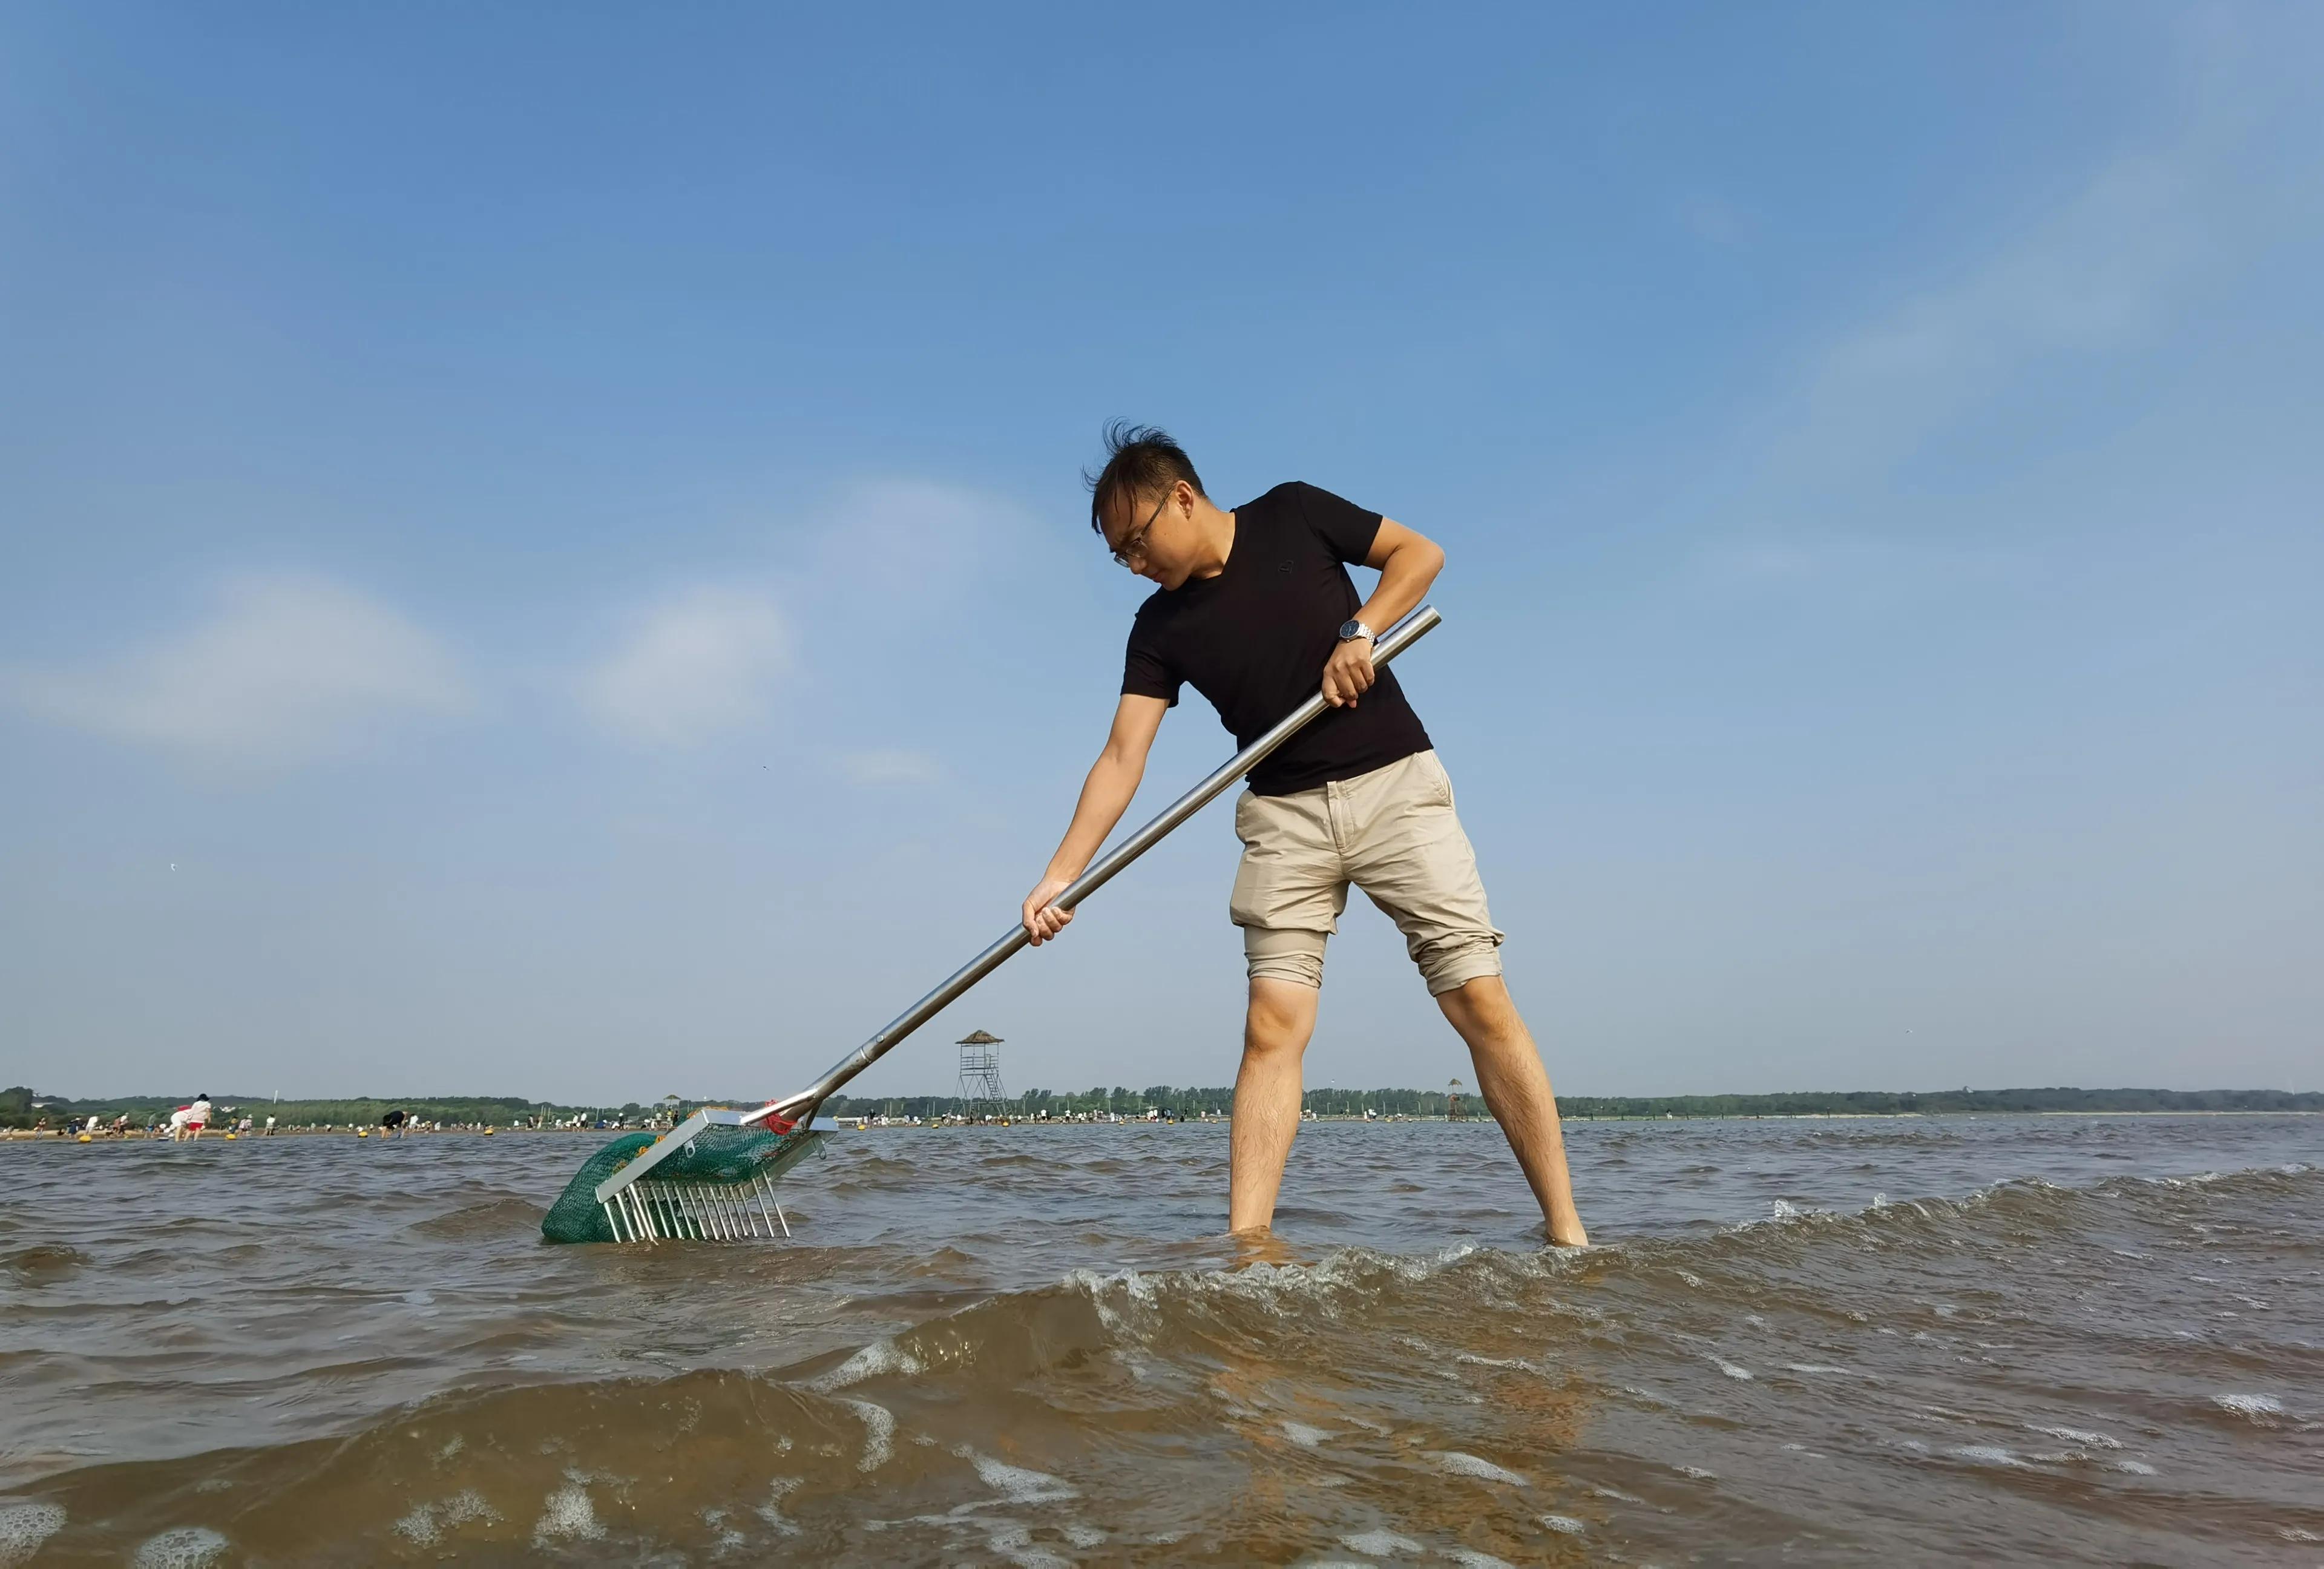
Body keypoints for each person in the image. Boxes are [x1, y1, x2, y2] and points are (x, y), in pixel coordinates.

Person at [1020, 426, 1589, 1246]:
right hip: (1283, 817)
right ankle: (1248, 1255)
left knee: (1477, 997)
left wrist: (1362, 630)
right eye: (1121, 557)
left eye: (1136, 543)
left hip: (1395, 787)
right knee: (1270, 1027)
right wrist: (1060, 875)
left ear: (1181, 498)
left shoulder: (1293, 514)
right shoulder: (1157, 627)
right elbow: (1121, 757)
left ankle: (1567, 1235)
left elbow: (1420, 555)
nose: (1134, 565)